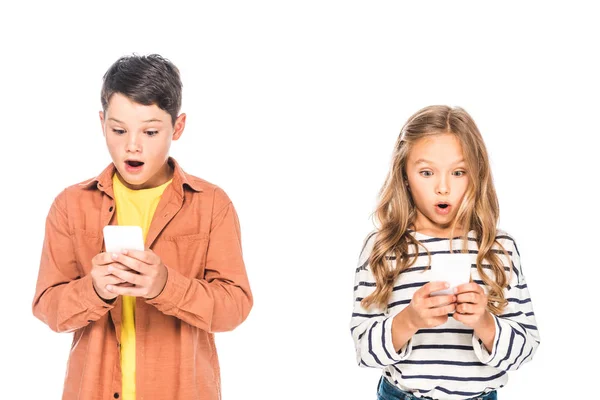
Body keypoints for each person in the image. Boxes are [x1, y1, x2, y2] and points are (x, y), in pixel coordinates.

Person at [32, 54, 253, 400]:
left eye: (150, 131)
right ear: (102, 123)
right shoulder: (70, 205)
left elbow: (235, 306)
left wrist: (167, 286)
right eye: (119, 130)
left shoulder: (211, 204)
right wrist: (95, 289)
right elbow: (48, 307)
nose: (132, 145)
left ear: (177, 128)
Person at [350, 105, 539, 400]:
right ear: (404, 175)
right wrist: (409, 319)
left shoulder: (498, 248)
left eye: (458, 172)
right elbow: (364, 351)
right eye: (426, 172)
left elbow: (525, 351)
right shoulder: (383, 247)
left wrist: (484, 322)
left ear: (476, 175)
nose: (443, 187)